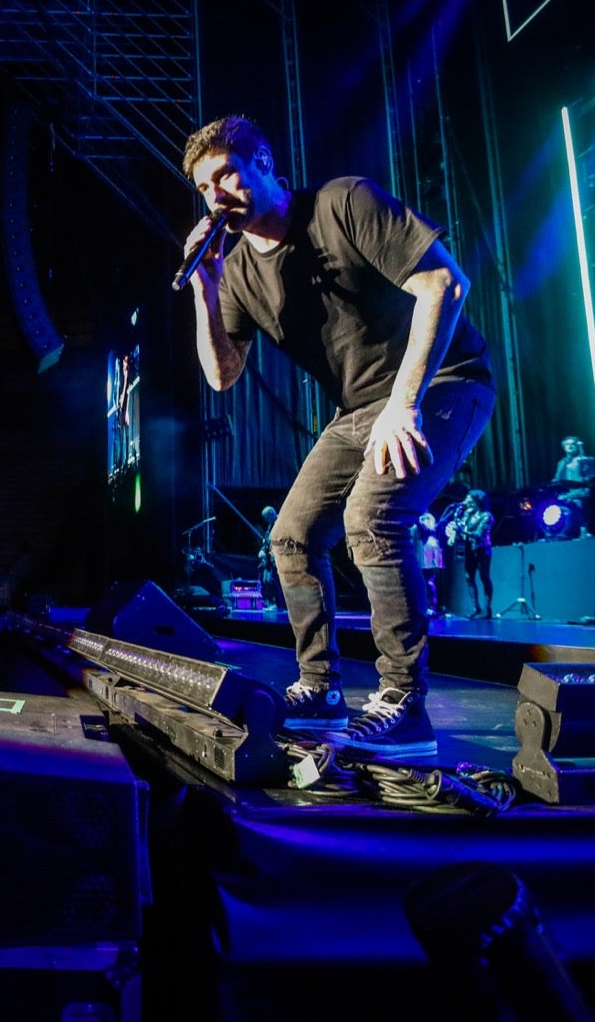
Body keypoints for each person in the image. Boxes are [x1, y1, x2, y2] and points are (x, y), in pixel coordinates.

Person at [179, 114, 494, 757]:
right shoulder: (236, 270)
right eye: (205, 188)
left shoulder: (343, 202)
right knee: (291, 535)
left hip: (443, 383)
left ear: (264, 163)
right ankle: (320, 689)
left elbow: (443, 283)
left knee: (372, 518)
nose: (218, 197)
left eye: (228, 174)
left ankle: (404, 702)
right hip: (359, 409)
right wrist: (206, 289)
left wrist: (404, 405)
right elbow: (221, 376)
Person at [447, 490, 495, 619]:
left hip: (482, 550)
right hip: (469, 550)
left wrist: (462, 530)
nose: (466, 502)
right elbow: (461, 531)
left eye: (469, 500)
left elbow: (479, 535)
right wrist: (455, 528)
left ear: (476, 501)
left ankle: (487, 609)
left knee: (484, 577)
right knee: (469, 578)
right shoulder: (467, 515)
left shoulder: (486, 516)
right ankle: (475, 608)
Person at [551, 435, 595, 538]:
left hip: (581, 492)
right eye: (567, 444)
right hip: (567, 492)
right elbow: (557, 479)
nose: (570, 446)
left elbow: (589, 478)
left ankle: (582, 530)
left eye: (572, 444)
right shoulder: (562, 463)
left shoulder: (584, 460)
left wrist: (582, 453)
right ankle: (561, 529)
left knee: (578, 504)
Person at [416, 512, 445, 617]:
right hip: (420, 549)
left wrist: (416, 522)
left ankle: (431, 606)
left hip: (428, 550)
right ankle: (424, 606)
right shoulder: (418, 515)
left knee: (428, 580)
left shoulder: (427, 516)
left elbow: (429, 530)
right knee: (421, 581)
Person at [257, 506, 284, 611]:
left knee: (273, 580)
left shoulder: (280, 524)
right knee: (266, 579)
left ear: (272, 514)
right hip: (269, 557)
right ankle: (272, 601)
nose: (266, 520)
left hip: (276, 557)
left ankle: (278, 604)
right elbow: (267, 540)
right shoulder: (270, 525)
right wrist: (263, 549)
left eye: (267, 517)